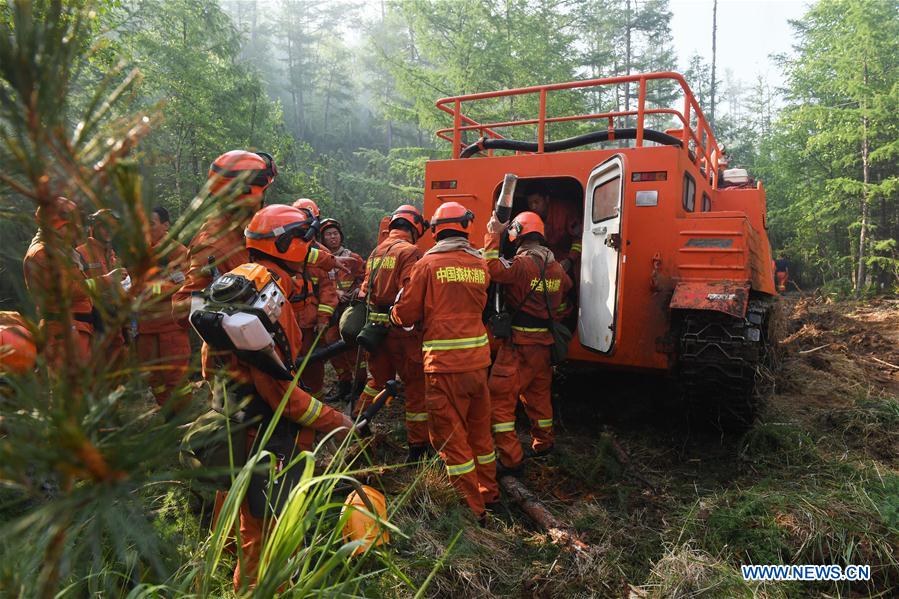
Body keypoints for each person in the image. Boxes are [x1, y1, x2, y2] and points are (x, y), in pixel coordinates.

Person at [216, 204, 355, 591]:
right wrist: (334, 421)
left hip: (235, 415)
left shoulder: (241, 279)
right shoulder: (267, 299)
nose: (311, 248)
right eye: (305, 240)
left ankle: (229, 563)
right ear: (286, 245)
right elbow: (281, 393)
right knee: (267, 523)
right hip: (266, 429)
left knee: (240, 507)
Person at [390, 202, 498, 521]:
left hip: (444, 366)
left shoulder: (427, 265)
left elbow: (407, 312)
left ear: (435, 229)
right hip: (478, 363)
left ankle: (470, 509)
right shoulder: (479, 265)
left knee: (451, 439)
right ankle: (488, 493)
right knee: (480, 433)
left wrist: (395, 315)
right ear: (465, 227)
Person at [484, 211, 571, 473]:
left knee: (499, 401)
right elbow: (566, 287)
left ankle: (510, 459)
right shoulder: (555, 267)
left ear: (517, 233)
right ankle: (544, 444)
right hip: (544, 346)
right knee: (538, 398)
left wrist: (492, 234)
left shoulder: (522, 265)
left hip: (519, 346)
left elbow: (492, 269)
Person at [354, 205, 428, 461]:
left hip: (375, 329)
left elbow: (365, 291)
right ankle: (418, 447)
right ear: (415, 227)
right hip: (400, 332)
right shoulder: (410, 251)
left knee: (376, 381)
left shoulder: (377, 251)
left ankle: (357, 424)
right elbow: (408, 293)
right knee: (416, 386)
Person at [23, 197, 96, 372]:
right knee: (72, 388)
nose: (73, 231)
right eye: (68, 226)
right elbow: (68, 289)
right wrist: (105, 282)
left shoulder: (62, 251)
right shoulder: (42, 253)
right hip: (63, 332)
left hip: (76, 328)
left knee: (82, 388)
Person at [136, 206, 191, 407]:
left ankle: (184, 419)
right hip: (145, 326)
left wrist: (156, 289)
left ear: (165, 225)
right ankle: (166, 413)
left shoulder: (178, 251)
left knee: (175, 377)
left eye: (151, 224)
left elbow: (187, 284)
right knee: (153, 377)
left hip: (171, 326)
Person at [289, 198, 338, 398]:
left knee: (313, 364)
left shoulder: (323, 254)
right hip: (287, 320)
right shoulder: (281, 249)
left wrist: (322, 319)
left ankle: (313, 402)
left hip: (310, 323)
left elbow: (328, 289)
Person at [318, 218, 366, 403]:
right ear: (322, 238)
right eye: (328, 234)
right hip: (330, 310)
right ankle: (344, 383)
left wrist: (357, 289)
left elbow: (365, 278)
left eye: (335, 233)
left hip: (349, 310)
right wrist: (334, 291)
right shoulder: (319, 259)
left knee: (352, 348)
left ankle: (359, 385)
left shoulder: (353, 258)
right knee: (332, 347)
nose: (332, 237)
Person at [525, 184, 582, 276]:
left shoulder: (565, 211)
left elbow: (579, 239)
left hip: (572, 262)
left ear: (546, 199)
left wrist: (570, 260)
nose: (533, 207)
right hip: (550, 264)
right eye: (530, 204)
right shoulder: (531, 217)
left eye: (536, 202)